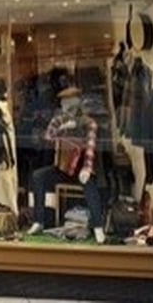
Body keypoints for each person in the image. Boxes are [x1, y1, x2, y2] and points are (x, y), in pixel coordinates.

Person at [27, 86, 106, 244]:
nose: (65, 105)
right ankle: (39, 221)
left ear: (77, 102)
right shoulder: (58, 120)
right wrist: (60, 129)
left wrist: (87, 168)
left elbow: (90, 148)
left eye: (68, 102)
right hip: (62, 168)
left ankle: (98, 227)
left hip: (81, 170)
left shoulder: (89, 123)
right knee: (38, 176)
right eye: (63, 102)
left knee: (90, 185)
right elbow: (47, 137)